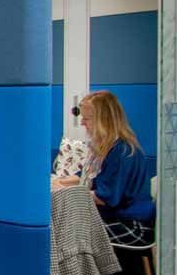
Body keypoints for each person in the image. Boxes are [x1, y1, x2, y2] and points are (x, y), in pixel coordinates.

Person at [54, 90, 155, 246]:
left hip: (132, 226)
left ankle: (76, 271)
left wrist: (63, 192)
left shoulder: (121, 152)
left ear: (104, 120)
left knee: (60, 234)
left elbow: (105, 198)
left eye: (86, 119)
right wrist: (56, 182)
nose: (82, 123)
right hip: (115, 217)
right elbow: (85, 178)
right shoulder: (105, 148)